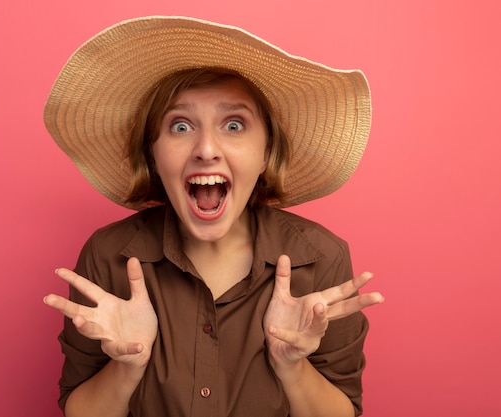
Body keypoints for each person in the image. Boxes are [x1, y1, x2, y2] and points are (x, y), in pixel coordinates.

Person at [42, 16, 384, 417]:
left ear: (265, 153)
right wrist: (126, 366)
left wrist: (292, 366)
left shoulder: (322, 257)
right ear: (153, 154)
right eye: (181, 125)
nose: (206, 148)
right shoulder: (108, 254)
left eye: (234, 124)